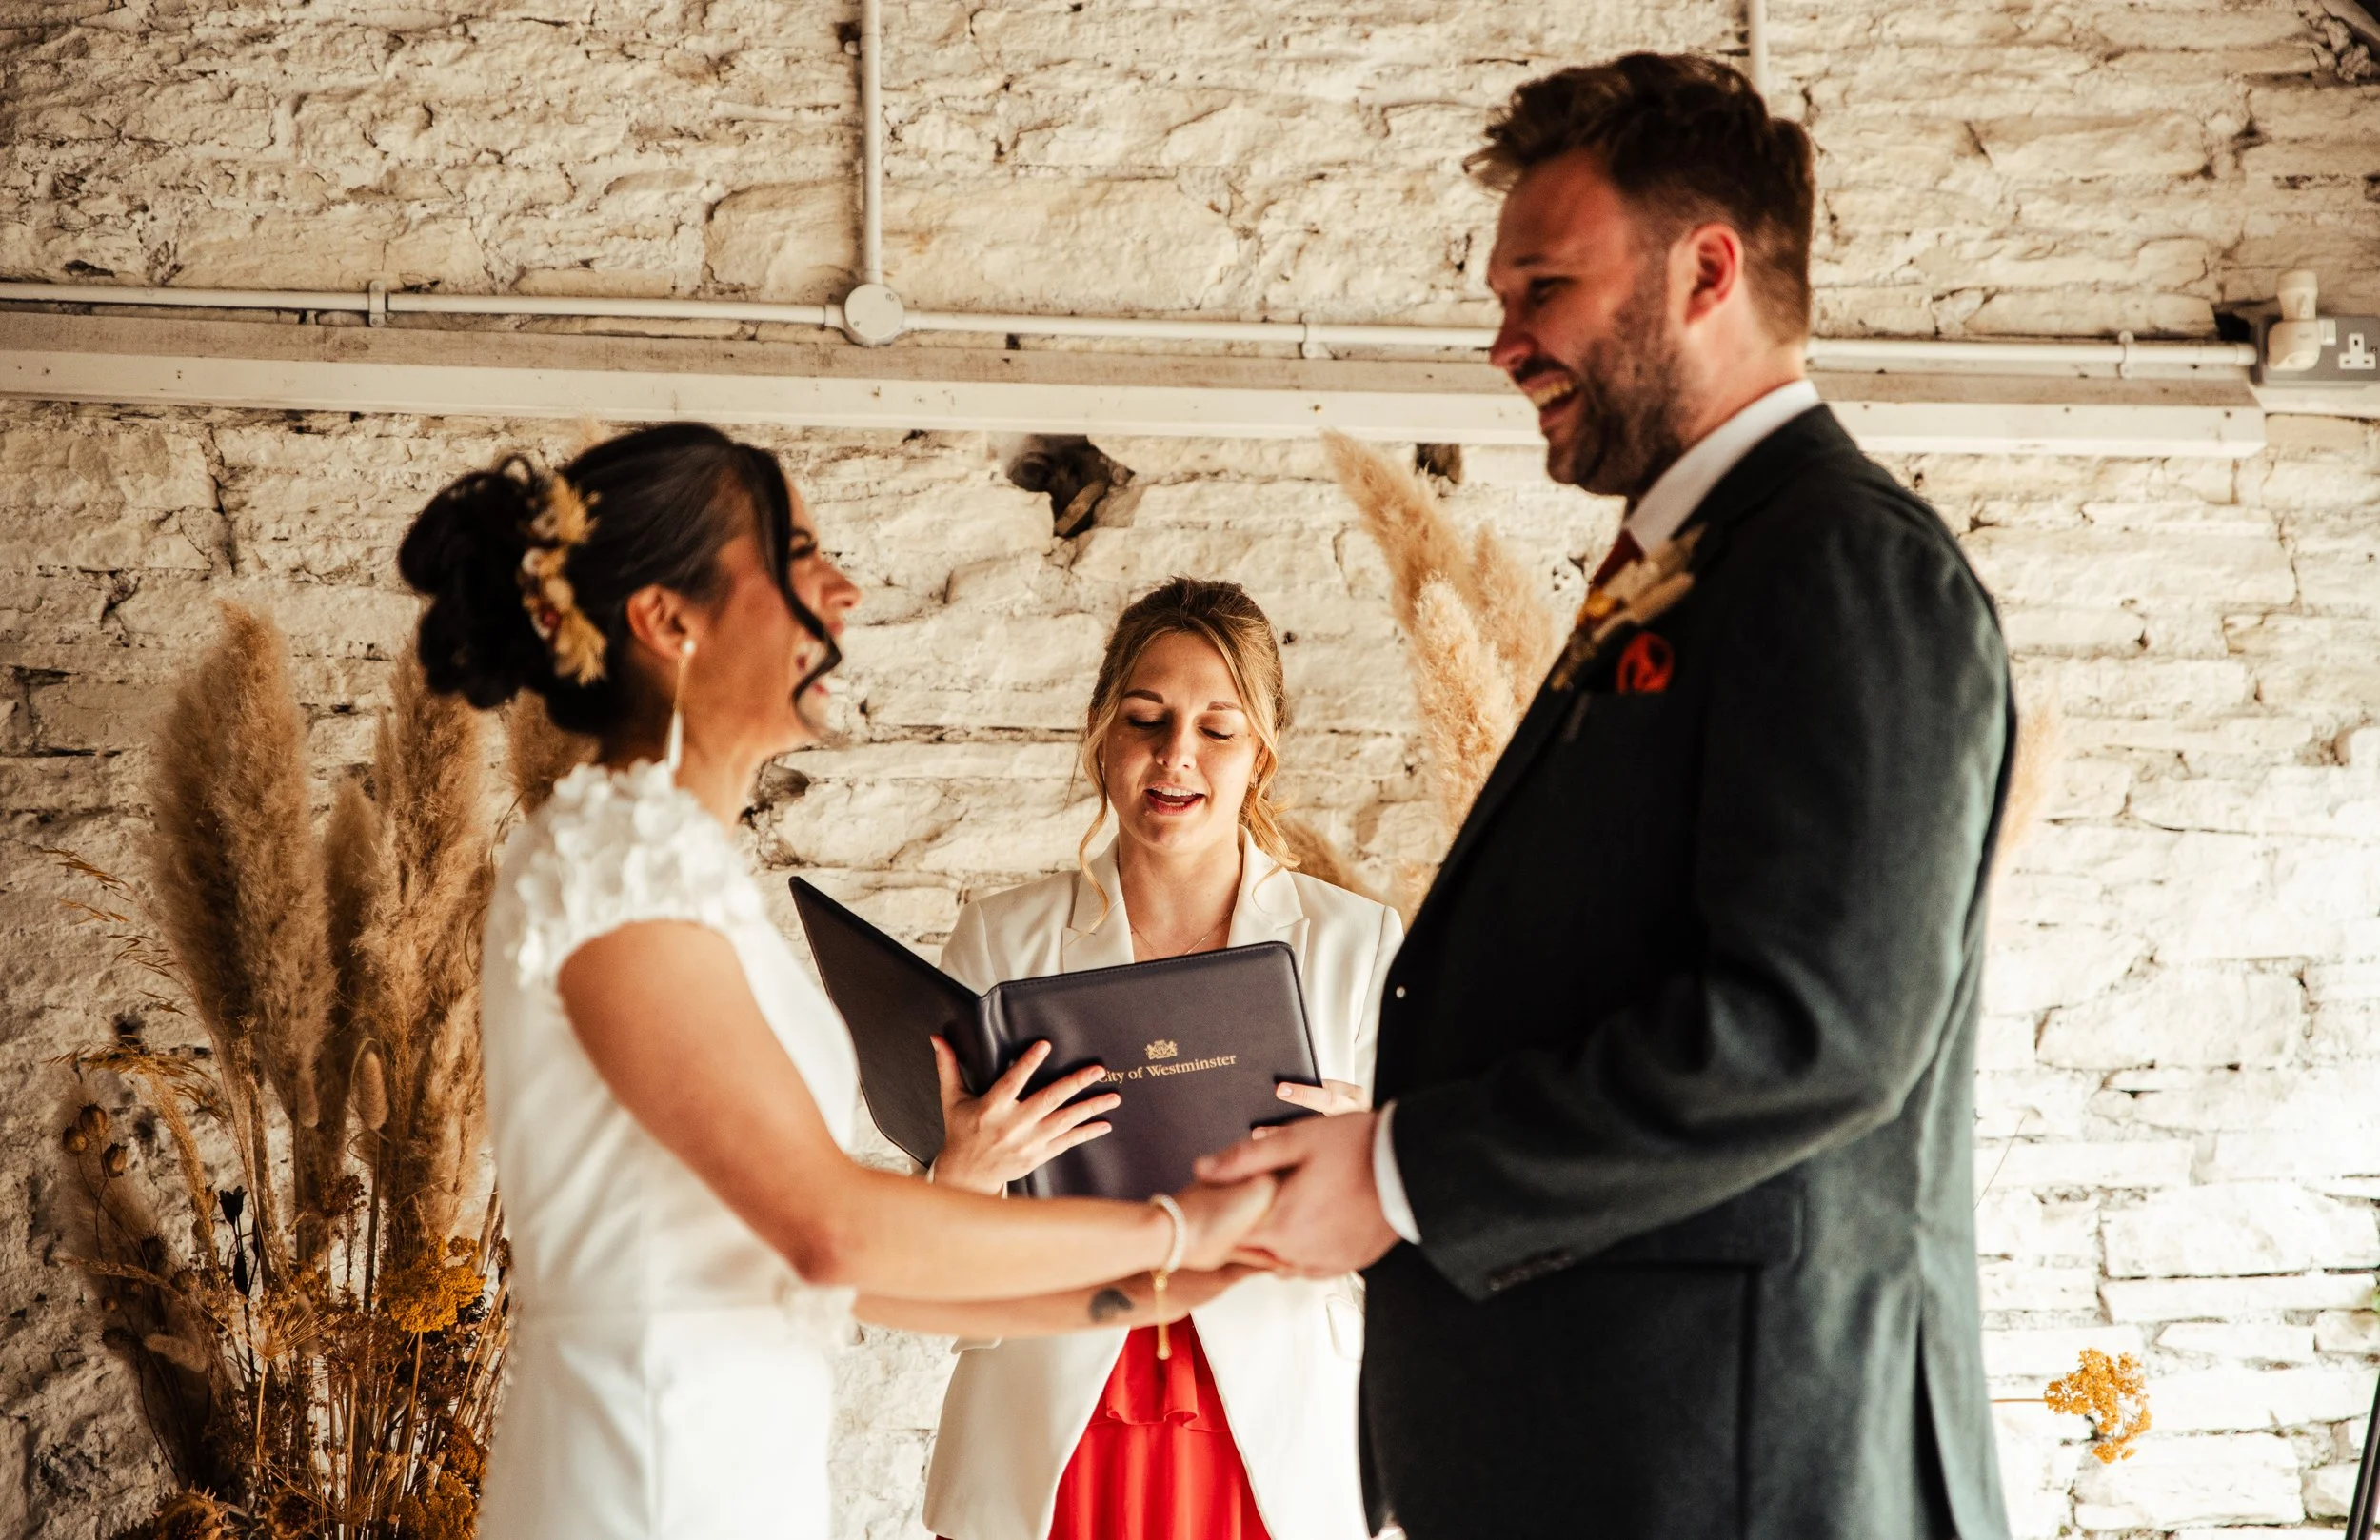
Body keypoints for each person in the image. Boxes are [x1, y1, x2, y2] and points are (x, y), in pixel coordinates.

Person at [1201, 54, 2017, 1540]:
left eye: (1546, 288)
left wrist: (1401, 1171)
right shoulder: (1697, 562)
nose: (1507, 343)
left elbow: (1814, 1029)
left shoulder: (1843, 563)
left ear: (1708, 269)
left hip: (1732, 1468)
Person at [398, 424, 1277, 1540]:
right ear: (670, 621)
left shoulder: (684, 871)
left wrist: (1153, 1292)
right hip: (645, 1472)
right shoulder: (608, 870)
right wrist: (1170, 1228)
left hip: (736, 1467)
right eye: (799, 555)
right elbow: (830, 1229)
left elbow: (825, 1274)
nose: (846, 591)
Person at [921, 578, 1401, 1540]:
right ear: (1103, 732)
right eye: (1145, 717)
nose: (1175, 754)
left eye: (1217, 728)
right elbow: (930, 1262)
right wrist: (963, 1169)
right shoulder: (999, 941)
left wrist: (1372, 1162)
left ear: (1260, 753)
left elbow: (1413, 1248)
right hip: (1054, 1422)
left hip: (1271, 1433)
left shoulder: (1358, 944)